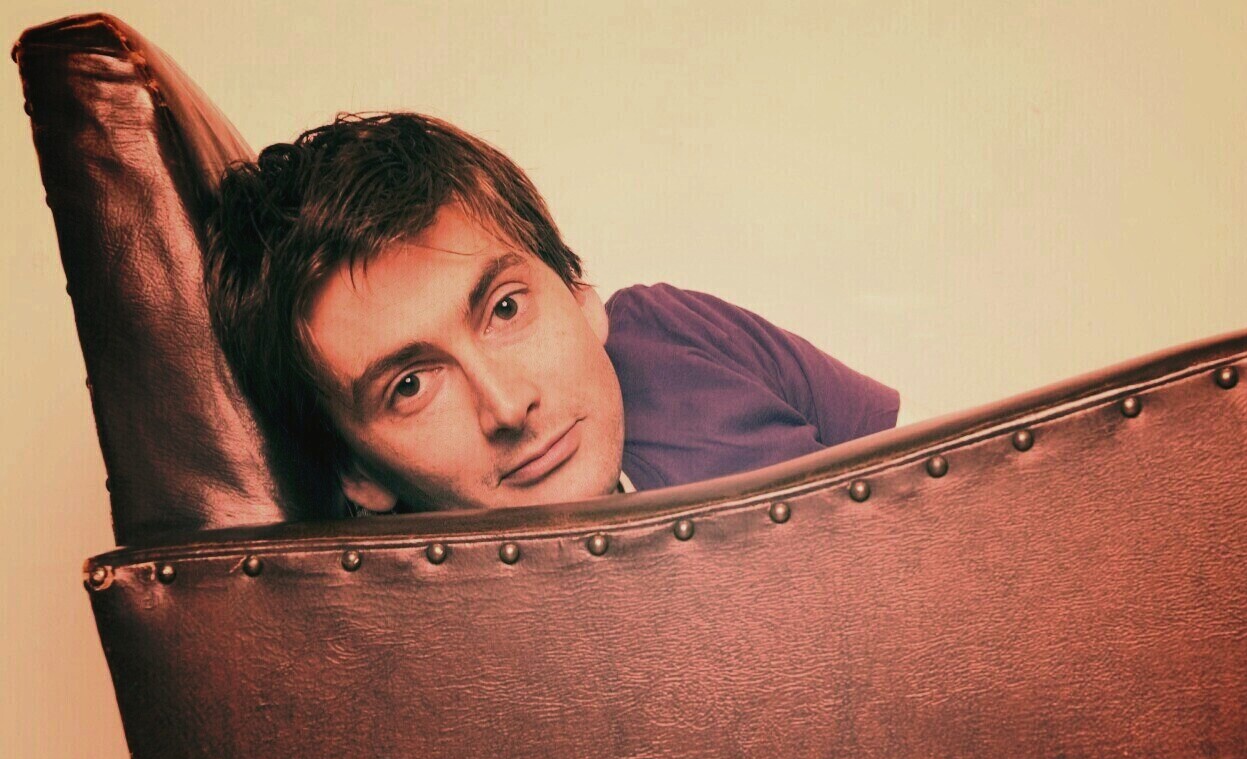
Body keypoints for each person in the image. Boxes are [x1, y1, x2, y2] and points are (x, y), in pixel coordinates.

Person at [203, 112, 901, 515]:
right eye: (410, 386)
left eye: (506, 308)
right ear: (358, 473)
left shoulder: (676, 331)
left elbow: (934, 494)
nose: (507, 407)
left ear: (578, 293)